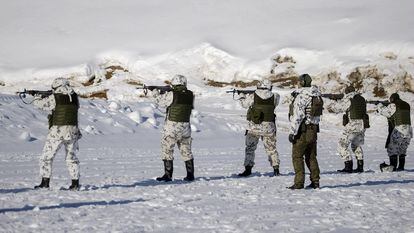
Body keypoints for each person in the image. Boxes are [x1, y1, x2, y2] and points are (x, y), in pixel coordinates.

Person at [32, 77, 82, 190]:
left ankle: (45, 183)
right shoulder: (74, 97)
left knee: (46, 157)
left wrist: (37, 96)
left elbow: (39, 105)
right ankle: (75, 184)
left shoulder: (55, 97)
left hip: (58, 132)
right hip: (73, 131)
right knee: (71, 158)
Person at [151, 75, 195, 182]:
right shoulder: (190, 94)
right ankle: (190, 175)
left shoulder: (172, 94)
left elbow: (160, 103)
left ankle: (168, 175)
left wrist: (155, 93)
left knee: (167, 149)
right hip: (185, 126)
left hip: (172, 126)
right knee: (186, 150)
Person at [237, 79, 281, 177]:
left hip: (254, 128)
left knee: (250, 148)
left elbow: (244, 105)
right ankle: (276, 169)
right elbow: (275, 104)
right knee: (271, 149)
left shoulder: (253, 96)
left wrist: (241, 95)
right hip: (268, 128)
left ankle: (248, 169)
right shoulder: (275, 96)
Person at [288, 74, 322, 189]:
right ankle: (315, 181)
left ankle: (299, 183)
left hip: (302, 131)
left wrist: (292, 132)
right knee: (311, 157)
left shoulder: (302, 96)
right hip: (313, 131)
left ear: (302, 82)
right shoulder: (317, 96)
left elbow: (298, 116)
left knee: (297, 157)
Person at [329, 85, 368, 173]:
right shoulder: (361, 99)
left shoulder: (349, 99)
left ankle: (348, 166)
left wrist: (334, 102)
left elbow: (337, 109)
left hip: (353, 126)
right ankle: (360, 167)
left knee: (342, 145)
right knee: (356, 145)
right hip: (362, 125)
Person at [377, 93, 412, 171]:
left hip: (399, 129)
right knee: (402, 149)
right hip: (409, 130)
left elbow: (385, 112)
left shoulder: (393, 105)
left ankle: (393, 167)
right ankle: (401, 167)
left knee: (392, 148)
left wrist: (379, 105)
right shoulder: (406, 104)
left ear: (392, 99)